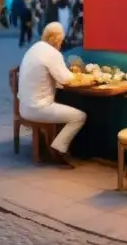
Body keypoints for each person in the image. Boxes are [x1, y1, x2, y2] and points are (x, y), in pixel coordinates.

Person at [17, 22, 86, 167]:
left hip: (23, 106)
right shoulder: (53, 54)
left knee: (66, 111)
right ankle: (58, 148)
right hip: (38, 108)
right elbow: (65, 79)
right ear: (57, 40)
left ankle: (55, 145)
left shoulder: (34, 48)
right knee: (79, 117)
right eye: (61, 41)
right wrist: (81, 75)